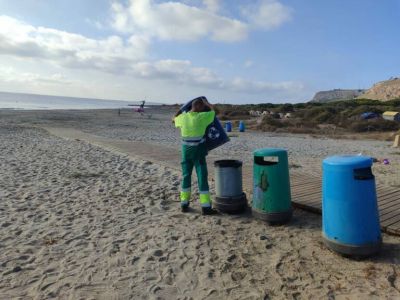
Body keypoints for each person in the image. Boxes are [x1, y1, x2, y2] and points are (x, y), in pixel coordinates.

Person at [173, 98, 216, 215]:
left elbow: (173, 119)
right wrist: (207, 103)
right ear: (200, 107)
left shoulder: (182, 118)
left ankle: (184, 204)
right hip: (199, 153)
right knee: (202, 177)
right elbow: (214, 111)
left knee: (186, 176)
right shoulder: (202, 117)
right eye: (203, 107)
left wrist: (181, 109)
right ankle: (206, 207)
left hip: (186, 152)